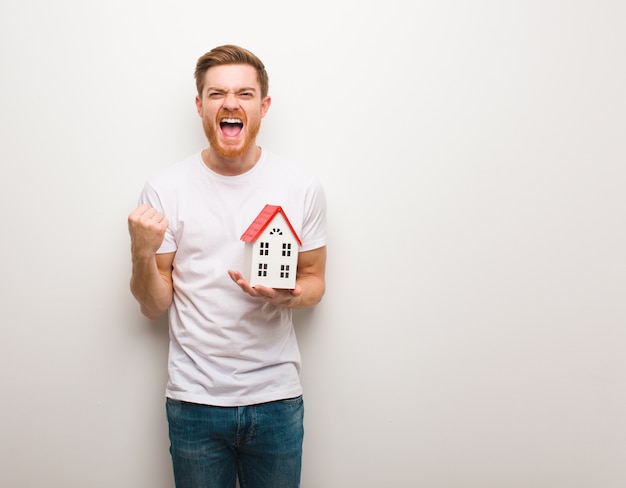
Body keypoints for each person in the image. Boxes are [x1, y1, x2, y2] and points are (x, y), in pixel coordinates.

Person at [127, 44, 327, 488]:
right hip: (194, 401)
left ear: (263, 106)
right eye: (217, 94)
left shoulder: (301, 187)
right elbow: (153, 306)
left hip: (277, 399)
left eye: (244, 93)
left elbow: (315, 281)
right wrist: (142, 252)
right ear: (200, 106)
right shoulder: (164, 189)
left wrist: (289, 294)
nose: (230, 103)